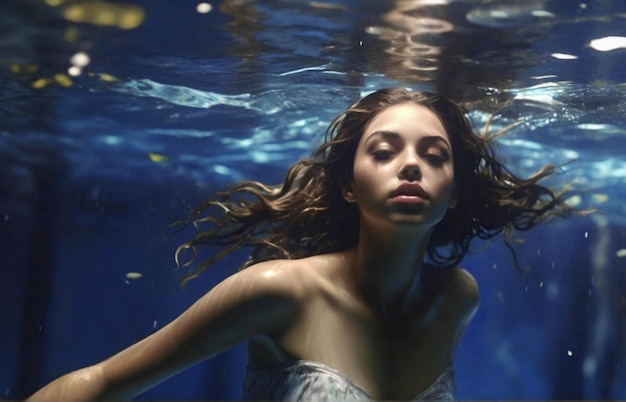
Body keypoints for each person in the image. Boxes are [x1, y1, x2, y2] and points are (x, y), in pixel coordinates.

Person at [27, 88, 577, 401]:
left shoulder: (457, 298)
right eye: (385, 151)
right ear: (347, 184)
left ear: (453, 193)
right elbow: (99, 382)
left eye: (434, 156)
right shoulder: (279, 294)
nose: (411, 164)